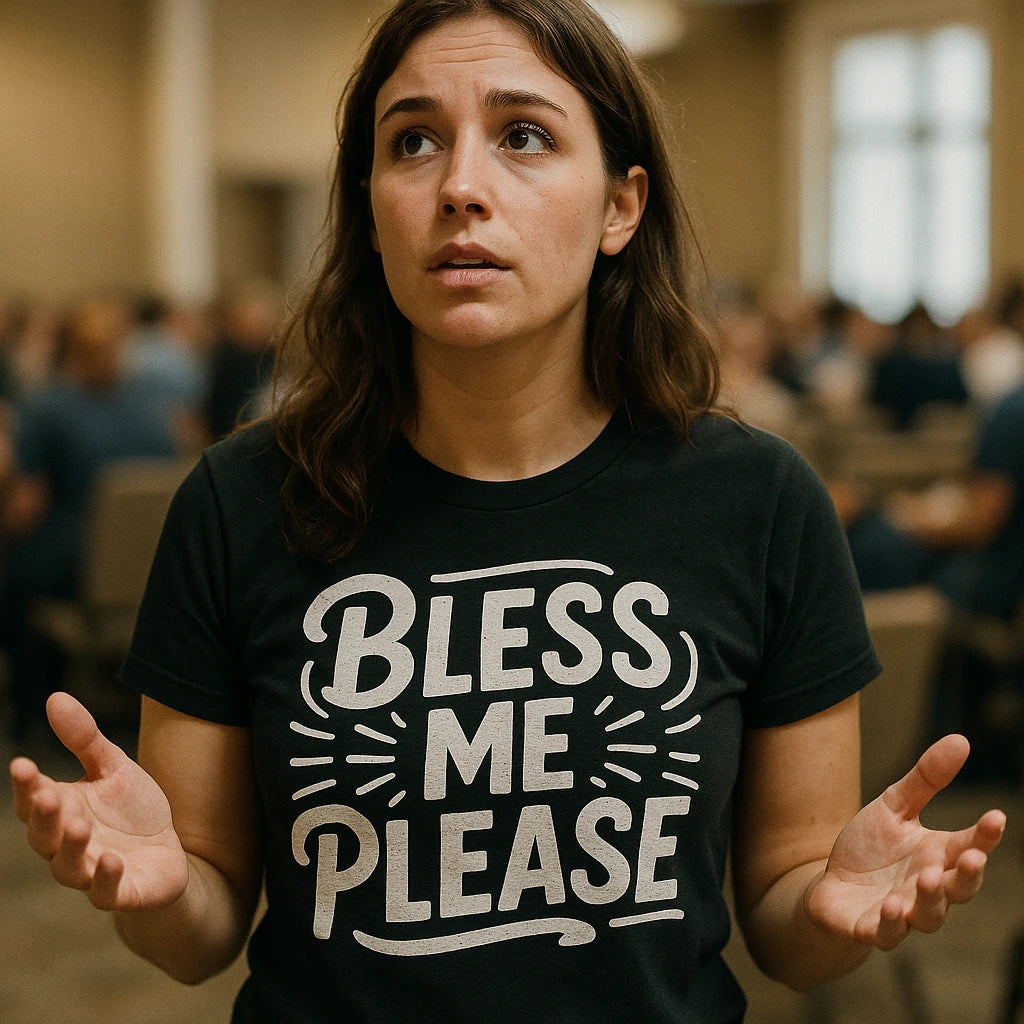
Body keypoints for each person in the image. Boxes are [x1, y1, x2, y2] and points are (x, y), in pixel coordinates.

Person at [9, 2, 1006, 1022]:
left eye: (523, 136)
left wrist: (831, 908)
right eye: (412, 142)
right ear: (368, 205)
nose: (460, 188)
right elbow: (201, 924)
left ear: (621, 207)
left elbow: (786, 914)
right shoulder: (238, 500)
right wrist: (166, 889)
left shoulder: (758, 501)